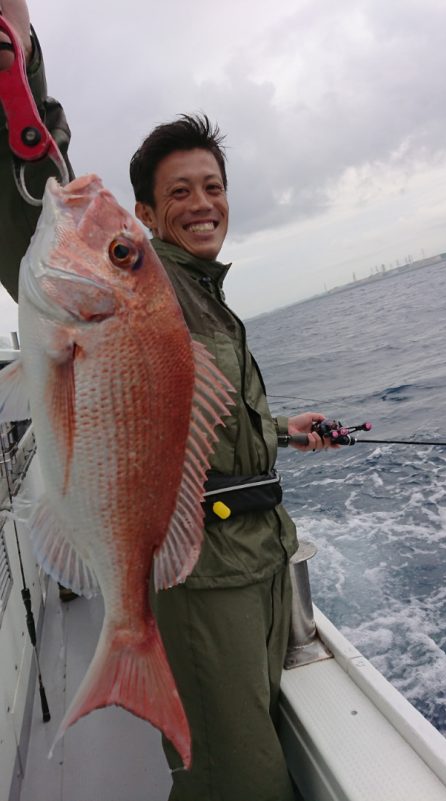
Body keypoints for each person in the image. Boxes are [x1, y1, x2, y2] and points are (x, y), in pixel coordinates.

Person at [0, 4, 333, 799]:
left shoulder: (211, 303)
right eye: (177, 193)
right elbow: (31, 190)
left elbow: (184, 424)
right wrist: (23, 63)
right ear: (146, 216)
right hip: (202, 582)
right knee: (237, 781)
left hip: (259, 569)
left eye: (212, 187)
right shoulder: (153, 292)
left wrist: (279, 431)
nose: (201, 203)